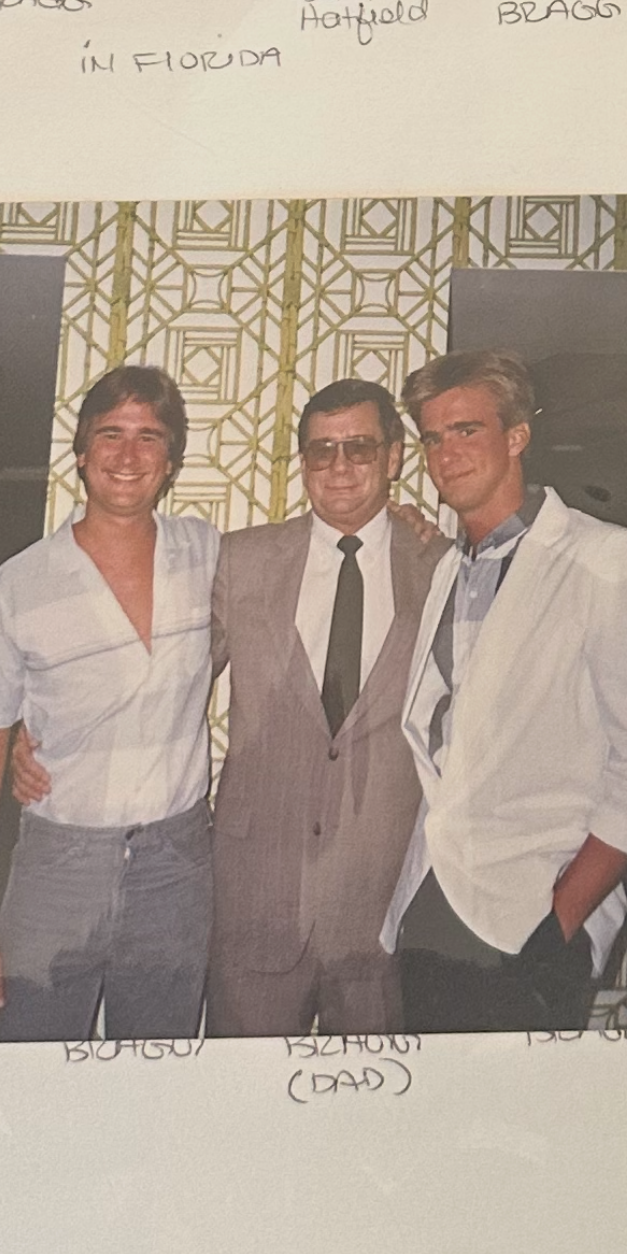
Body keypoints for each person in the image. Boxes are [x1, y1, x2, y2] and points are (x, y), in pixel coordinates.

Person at [381, 349, 627, 1032]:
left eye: (466, 430)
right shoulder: (449, 574)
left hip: (529, 919)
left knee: (513, 1134)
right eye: (432, 437)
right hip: (432, 905)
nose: (445, 453)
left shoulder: (606, 560)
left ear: (516, 436)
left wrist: (562, 919)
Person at [0, 367, 217, 1040]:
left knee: (156, 1080)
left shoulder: (209, 555)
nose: (127, 457)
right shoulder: (17, 585)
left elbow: (298, 574)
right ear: (80, 454)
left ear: (171, 460)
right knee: (30, 1076)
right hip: (56, 869)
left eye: (148, 438)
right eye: (110, 436)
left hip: (176, 868)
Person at [206, 379, 446, 1035]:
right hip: (257, 893)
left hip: (383, 902)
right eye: (320, 452)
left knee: (371, 1119)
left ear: (393, 457)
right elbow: (168, 680)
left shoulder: (443, 569)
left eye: (359, 448)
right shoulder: (238, 560)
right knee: (241, 1106)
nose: (338, 467)